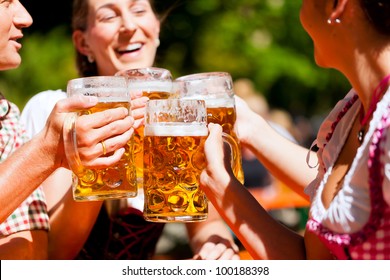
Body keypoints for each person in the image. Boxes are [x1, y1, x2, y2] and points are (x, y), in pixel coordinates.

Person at [21, 0, 239, 260]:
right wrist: (107, 148)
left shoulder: (178, 120)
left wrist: (215, 247)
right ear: (83, 43)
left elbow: (206, 223)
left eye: (138, 10)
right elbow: (52, 255)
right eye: (108, 16)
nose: (128, 26)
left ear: (156, 28)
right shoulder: (56, 111)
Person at [200, 0, 390, 260]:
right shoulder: (356, 107)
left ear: (337, 5)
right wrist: (248, 127)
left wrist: (223, 187)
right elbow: (313, 262)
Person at [0, 0, 133, 259]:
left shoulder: (7, 112)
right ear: (82, 43)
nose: (26, 18)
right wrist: (47, 151)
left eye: (139, 10)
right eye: (6, 2)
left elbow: (35, 252)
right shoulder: (49, 113)